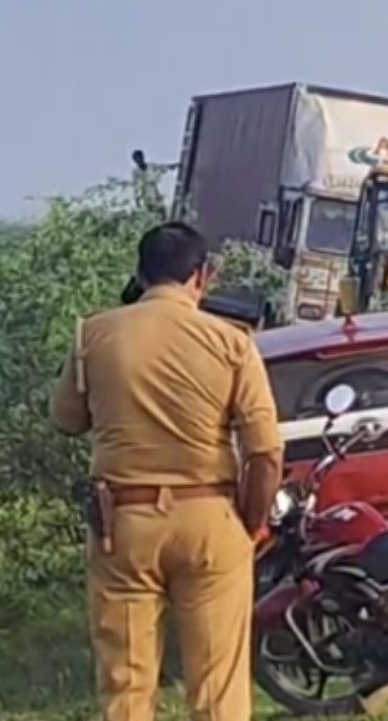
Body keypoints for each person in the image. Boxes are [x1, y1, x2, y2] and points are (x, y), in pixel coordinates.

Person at [50, 221, 284, 720]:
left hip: (123, 524)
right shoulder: (233, 341)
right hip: (210, 517)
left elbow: (66, 420)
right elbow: (265, 454)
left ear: (140, 272)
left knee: (125, 685)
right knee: (217, 689)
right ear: (204, 276)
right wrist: (251, 523)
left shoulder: (92, 333)